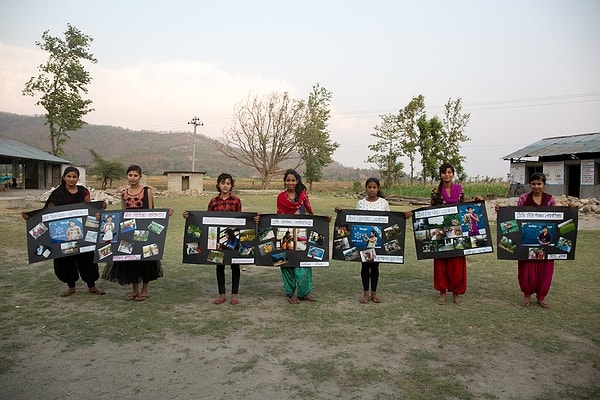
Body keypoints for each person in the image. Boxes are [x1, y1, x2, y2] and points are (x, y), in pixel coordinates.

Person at [22, 166, 105, 297]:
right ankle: (71, 287)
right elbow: (47, 212)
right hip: (61, 235)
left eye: (74, 177)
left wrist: (100, 207)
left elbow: (89, 209)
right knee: (65, 260)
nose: (71, 179)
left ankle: (92, 286)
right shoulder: (57, 193)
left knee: (87, 258)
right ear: (64, 177)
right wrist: (31, 217)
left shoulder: (84, 191)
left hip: (82, 234)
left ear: (78, 178)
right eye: (69, 176)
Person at [110, 165, 172, 301]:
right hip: (128, 231)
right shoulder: (123, 193)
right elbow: (123, 213)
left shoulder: (146, 191)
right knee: (130, 259)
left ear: (140, 177)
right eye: (130, 175)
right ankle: (134, 290)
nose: (133, 178)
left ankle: (144, 290)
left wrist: (164, 214)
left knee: (145, 259)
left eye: (135, 175)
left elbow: (151, 211)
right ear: (127, 176)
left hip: (144, 231)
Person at [495, 172, 557, 308]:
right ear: (530, 185)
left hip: (545, 245)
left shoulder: (550, 200)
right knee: (527, 270)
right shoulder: (523, 199)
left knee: (545, 271)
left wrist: (570, 210)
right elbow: (516, 217)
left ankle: (541, 297)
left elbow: (558, 219)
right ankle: (527, 295)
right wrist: (501, 210)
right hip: (527, 242)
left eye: (539, 184)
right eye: (533, 184)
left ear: (544, 185)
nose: (536, 187)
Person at [183, 173, 242, 305]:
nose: (225, 186)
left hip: (233, 240)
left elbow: (241, 220)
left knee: (235, 266)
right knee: (219, 265)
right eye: (222, 183)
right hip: (217, 239)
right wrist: (190, 216)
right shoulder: (213, 201)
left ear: (231, 185)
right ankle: (222, 294)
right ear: (218, 185)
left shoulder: (236, 200)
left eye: (228, 183)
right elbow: (205, 219)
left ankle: (234, 294)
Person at [430, 163, 481, 305]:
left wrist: (476, 201)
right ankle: (442, 293)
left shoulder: (459, 189)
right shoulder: (436, 192)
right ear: (440, 175)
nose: (447, 175)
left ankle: (456, 292)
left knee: (457, 263)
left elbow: (463, 207)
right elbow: (431, 210)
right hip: (442, 230)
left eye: (449, 172)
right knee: (441, 261)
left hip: (458, 230)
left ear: (453, 174)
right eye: (444, 172)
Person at [335, 177, 391, 304]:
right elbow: (354, 219)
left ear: (378, 189)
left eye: (374, 187)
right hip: (362, 241)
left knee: (375, 267)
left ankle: (374, 293)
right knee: (365, 266)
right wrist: (341, 212)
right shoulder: (360, 203)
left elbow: (390, 219)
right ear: (366, 188)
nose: (371, 190)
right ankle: (366, 293)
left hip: (378, 241)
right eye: (369, 187)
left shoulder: (383, 203)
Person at [276, 169, 317, 304]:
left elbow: (310, 213)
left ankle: (304, 293)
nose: (290, 182)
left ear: (297, 181)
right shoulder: (281, 197)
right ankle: (290, 293)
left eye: (293, 180)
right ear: (285, 181)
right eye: (288, 180)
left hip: (301, 234)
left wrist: (323, 221)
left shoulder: (303, 196)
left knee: (304, 262)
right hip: (285, 234)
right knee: (287, 263)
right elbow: (279, 217)